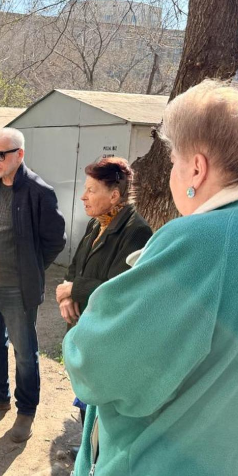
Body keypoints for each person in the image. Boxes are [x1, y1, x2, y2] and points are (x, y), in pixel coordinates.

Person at [64, 80, 238, 476]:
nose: (172, 172)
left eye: (174, 161)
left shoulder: (203, 240)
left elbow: (97, 365)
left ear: (197, 169)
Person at [0, 127, 66, 443]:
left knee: (24, 351)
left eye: (1, 154)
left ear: (19, 155)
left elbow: (56, 240)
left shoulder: (39, 191)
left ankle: (26, 411)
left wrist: (30, 269)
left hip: (16, 289)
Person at [55, 157, 152, 427]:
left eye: (91, 190)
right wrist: (66, 296)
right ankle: (86, 447)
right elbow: (75, 266)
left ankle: (94, 453)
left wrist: (74, 289)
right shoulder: (97, 223)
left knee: (102, 412)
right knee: (86, 401)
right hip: (84, 330)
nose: (83, 197)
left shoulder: (136, 232)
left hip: (105, 338)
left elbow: (120, 292)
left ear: (114, 196)